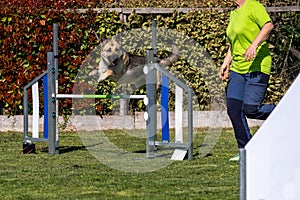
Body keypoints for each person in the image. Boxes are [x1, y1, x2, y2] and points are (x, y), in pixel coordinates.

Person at [219, 0, 276, 161]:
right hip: (238, 69)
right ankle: (246, 151)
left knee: (251, 109)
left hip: (257, 66)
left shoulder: (253, 6)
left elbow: (268, 26)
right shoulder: (234, 13)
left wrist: (254, 45)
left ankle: (283, 111)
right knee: (234, 109)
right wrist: (226, 62)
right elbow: (233, 43)